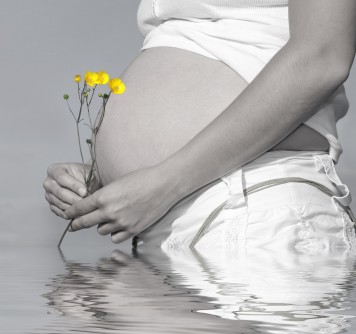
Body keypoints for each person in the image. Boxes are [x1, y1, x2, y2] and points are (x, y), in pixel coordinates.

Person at [43, 0, 356, 251]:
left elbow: (323, 56)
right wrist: (106, 179)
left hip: (251, 208)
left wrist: (164, 183)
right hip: (168, 217)